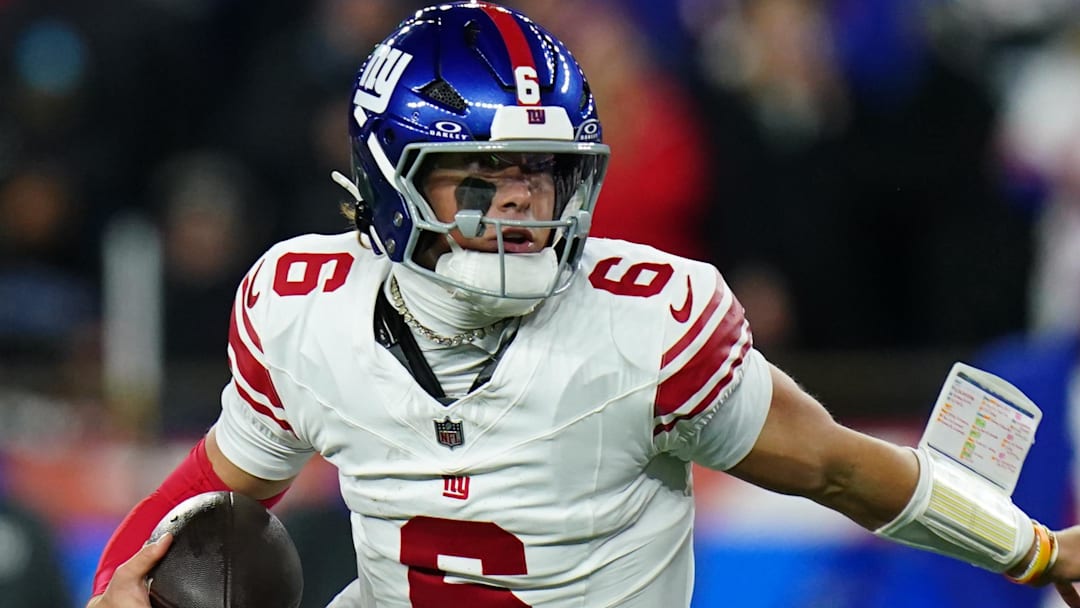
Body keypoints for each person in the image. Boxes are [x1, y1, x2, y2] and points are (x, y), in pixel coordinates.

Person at [86, 3, 1080, 607]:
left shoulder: (650, 325)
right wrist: (113, 584)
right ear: (391, 182)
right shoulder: (307, 306)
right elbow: (220, 480)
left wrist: (1031, 545)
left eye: (543, 172)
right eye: (478, 173)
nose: (520, 202)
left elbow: (833, 460)